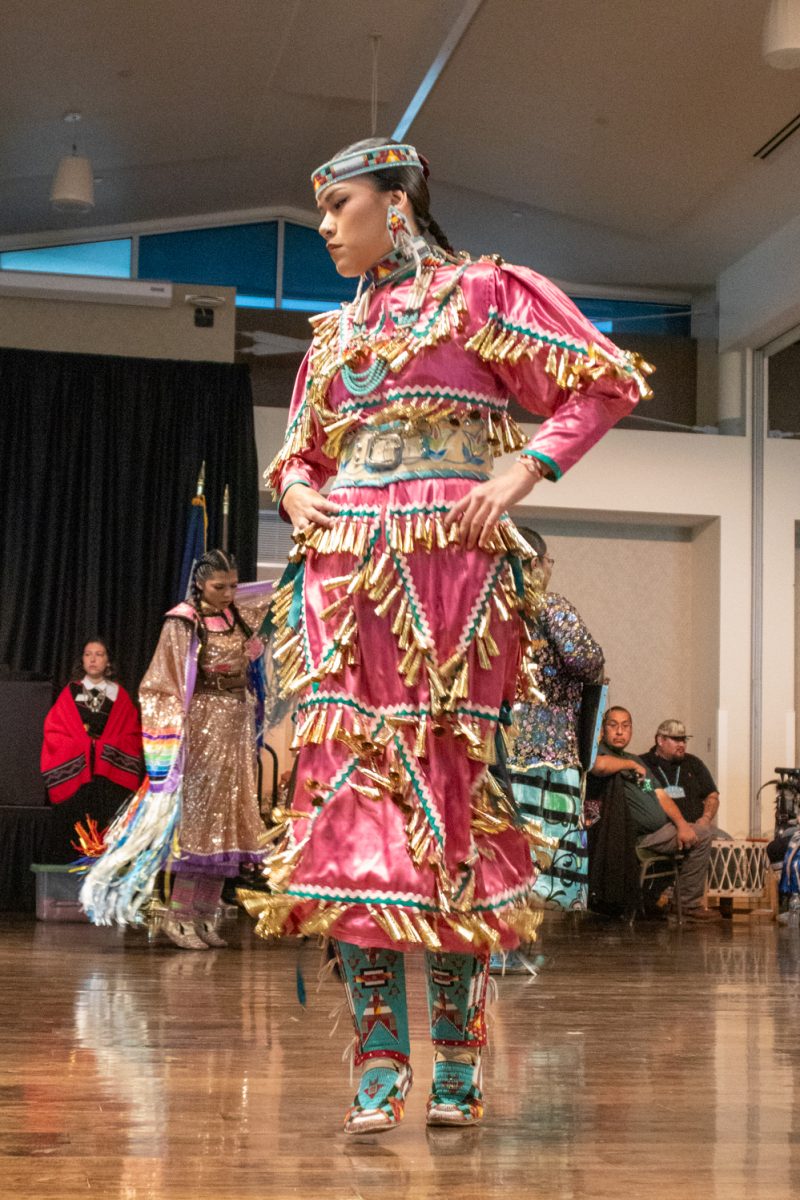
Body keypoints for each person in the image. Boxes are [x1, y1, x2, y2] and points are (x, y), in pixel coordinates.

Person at [250, 136, 651, 1132]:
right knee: (351, 810)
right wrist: (301, 497)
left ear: (398, 203)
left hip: (450, 574)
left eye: (340, 204)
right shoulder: (333, 335)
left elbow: (603, 381)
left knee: (451, 800)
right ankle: (378, 1063)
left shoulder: (480, 294)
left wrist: (522, 472)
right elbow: (292, 455)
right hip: (345, 580)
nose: (327, 227)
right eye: (322, 211)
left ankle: (462, 1066)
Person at [81, 551, 272, 950]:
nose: (228, 593)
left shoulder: (239, 616)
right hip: (201, 730)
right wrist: (172, 736)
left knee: (229, 817)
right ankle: (179, 915)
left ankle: (205, 914)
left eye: (234, 586)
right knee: (201, 821)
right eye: (220, 586)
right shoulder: (184, 621)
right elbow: (161, 683)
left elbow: (278, 599)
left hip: (234, 728)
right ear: (200, 583)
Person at [506, 529, 604, 920]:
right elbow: (588, 661)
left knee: (501, 846)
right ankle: (518, 940)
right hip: (548, 752)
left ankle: (496, 941)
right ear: (533, 564)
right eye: (547, 562)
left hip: (496, 746)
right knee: (541, 854)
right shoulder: (550, 606)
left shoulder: (487, 608)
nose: (549, 569)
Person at [591, 707, 715, 919]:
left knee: (700, 832)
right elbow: (597, 766)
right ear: (603, 730)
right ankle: (687, 905)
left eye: (625, 726)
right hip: (634, 837)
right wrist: (628, 764)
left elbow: (659, 795)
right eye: (613, 726)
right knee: (703, 836)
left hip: (661, 830)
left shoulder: (637, 762)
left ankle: (671, 902)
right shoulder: (600, 752)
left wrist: (682, 825)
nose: (620, 732)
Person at [41, 638, 142, 863]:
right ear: (82, 660)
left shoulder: (119, 694)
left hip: (108, 779)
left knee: (108, 821)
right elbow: (54, 731)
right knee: (74, 821)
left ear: (108, 661)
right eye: (88, 654)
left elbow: (131, 734)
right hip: (78, 776)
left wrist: (104, 746)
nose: (93, 659)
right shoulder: (71, 691)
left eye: (99, 654)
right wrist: (83, 745)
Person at [639, 719, 720, 829]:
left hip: (697, 828)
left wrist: (706, 818)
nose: (682, 744)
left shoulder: (694, 762)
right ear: (660, 740)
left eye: (684, 740)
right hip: (661, 830)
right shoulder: (643, 764)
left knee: (726, 840)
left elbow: (712, 795)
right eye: (676, 740)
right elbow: (646, 795)